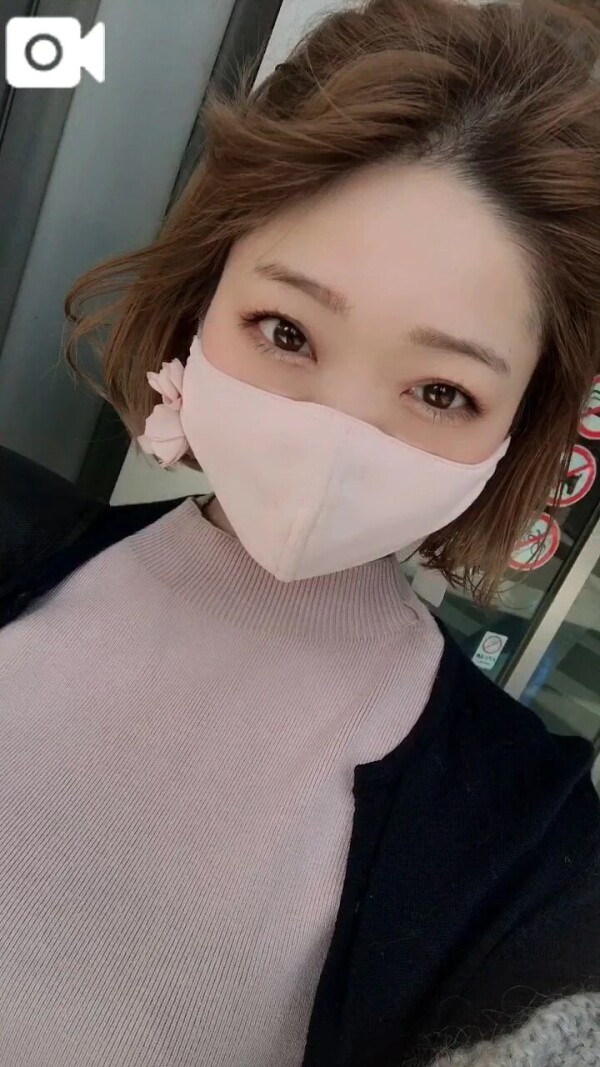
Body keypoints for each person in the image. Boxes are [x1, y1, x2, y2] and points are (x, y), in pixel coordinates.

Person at [1, 1, 599, 1064]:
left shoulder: (522, 836)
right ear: (204, 296)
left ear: (517, 428)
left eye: (440, 390)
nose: (335, 433)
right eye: (287, 330)